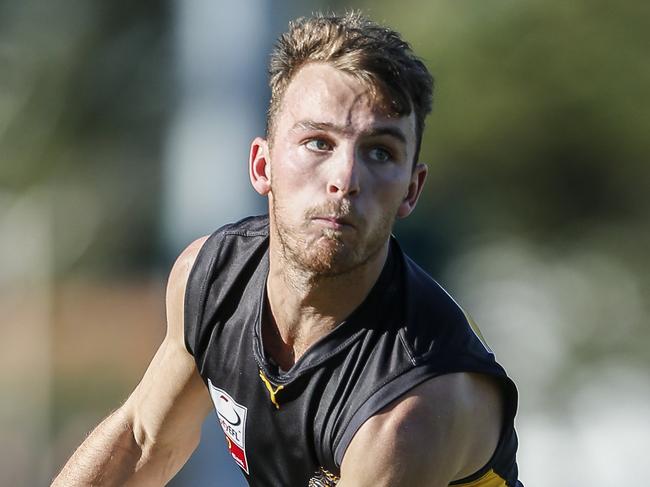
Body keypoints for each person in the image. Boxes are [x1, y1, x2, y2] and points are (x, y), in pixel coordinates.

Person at [53, 12, 523, 487]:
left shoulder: (410, 409)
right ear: (262, 166)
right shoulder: (214, 278)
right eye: (318, 142)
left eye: (380, 151)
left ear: (411, 191)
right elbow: (144, 442)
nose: (345, 180)